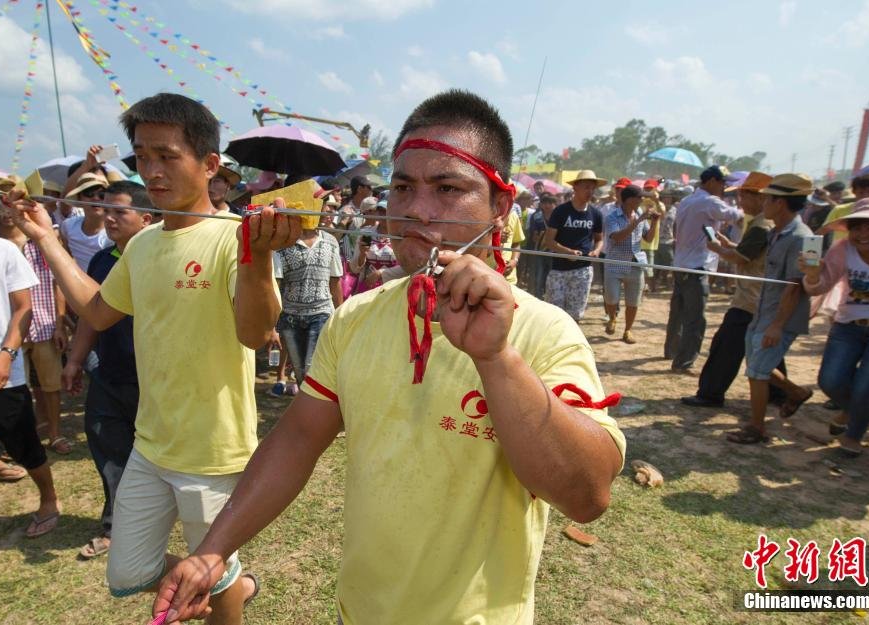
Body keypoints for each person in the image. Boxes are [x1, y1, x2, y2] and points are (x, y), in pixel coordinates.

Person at [153, 89, 625, 625]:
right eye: (403, 187)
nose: (417, 209)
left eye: (448, 188)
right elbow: (299, 438)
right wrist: (213, 550)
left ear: (501, 206)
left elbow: (587, 497)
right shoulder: (356, 318)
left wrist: (496, 359)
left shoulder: (542, 330)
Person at [10, 92, 288, 623]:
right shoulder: (142, 245)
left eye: (167, 155)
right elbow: (96, 311)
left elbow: (256, 336)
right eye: (142, 156)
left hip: (213, 453)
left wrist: (259, 257)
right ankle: (232, 585)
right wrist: (46, 237)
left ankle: (228, 592)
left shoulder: (234, 238)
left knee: (216, 575)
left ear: (209, 165)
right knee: (128, 572)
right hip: (151, 443)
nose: (152, 171)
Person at [62, 180, 155, 559]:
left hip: (154, 380)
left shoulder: (159, 261)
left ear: (146, 218)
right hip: (109, 374)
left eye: (121, 212)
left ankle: (162, 517)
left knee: (155, 454)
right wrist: (75, 360)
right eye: (107, 210)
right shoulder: (101, 261)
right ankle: (116, 526)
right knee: (108, 448)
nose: (110, 218)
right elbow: (91, 315)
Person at [800, 197, 869, 456]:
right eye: (857, 227)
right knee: (830, 381)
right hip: (848, 326)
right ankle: (853, 409)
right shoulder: (842, 250)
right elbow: (819, 287)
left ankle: (853, 436)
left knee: (866, 386)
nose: (863, 235)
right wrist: (812, 275)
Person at [0, 230, 60, 536]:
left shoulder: (0, 250)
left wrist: (7, 353)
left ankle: (49, 499)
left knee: (24, 445)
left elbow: (24, 307)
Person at [681, 172, 788, 408]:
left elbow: (742, 258)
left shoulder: (761, 225)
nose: (740, 203)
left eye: (743, 197)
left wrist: (719, 249)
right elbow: (751, 254)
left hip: (750, 299)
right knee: (762, 348)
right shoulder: (760, 224)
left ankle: (711, 393)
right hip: (754, 297)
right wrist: (729, 246)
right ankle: (781, 393)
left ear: (759, 198)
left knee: (726, 347)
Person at [726, 174, 816, 445]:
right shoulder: (775, 232)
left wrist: (777, 325)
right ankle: (797, 392)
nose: (762, 202)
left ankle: (757, 428)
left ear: (782, 202)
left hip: (780, 316)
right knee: (756, 365)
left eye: (768, 198)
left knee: (757, 372)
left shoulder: (804, 238)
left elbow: (795, 286)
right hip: (763, 311)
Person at [0, 187, 71, 455]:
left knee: (51, 385)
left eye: (9, 202)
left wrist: (60, 323)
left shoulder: (40, 239)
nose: (5, 209)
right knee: (13, 388)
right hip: (5, 331)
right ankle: (21, 440)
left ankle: (54, 434)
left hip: (45, 323)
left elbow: (58, 280)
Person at [664, 165, 743, 375]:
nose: (725, 188)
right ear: (711, 182)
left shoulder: (688, 200)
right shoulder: (710, 201)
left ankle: (671, 351)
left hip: (681, 264)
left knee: (678, 313)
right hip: (697, 266)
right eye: (723, 183)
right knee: (695, 319)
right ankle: (684, 361)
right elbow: (736, 216)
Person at [275, 208, 344, 388]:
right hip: (290, 316)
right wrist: (273, 324)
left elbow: (335, 281)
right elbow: (276, 285)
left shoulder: (330, 241)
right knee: (299, 371)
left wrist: (341, 315)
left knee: (310, 368)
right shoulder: (282, 243)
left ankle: (312, 411)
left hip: (321, 313)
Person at [544, 170, 606, 320]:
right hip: (559, 270)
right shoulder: (561, 211)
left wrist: (597, 250)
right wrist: (567, 251)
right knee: (554, 314)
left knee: (575, 315)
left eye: (592, 188)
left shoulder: (596, 214)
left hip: (583, 271)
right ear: (575, 188)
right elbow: (549, 241)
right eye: (586, 187)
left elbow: (599, 239)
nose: (590, 191)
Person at [603, 185, 659, 343]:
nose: (642, 200)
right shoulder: (612, 217)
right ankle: (612, 318)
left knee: (633, 301)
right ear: (629, 199)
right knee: (611, 298)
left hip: (636, 263)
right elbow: (617, 238)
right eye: (639, 197)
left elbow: (648, 238)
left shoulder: (639, 214)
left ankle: (628, 330)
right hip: (614, 262)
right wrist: (638, 221)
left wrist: (654, 222)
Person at [60, 172, 112, 273]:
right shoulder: (68, 226)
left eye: (101, 195)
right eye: (89, 193)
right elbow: (66, 259)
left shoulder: (113, 232)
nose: (95, 198)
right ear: (79, 198)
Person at [524, 193, 556, 300]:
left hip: (555, 252)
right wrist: (537, 236)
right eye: (545, 203)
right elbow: (533, 235)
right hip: (539, 251)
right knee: (539, 275)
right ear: (541, 204)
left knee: (552, 276)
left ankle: (550, 297)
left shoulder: (559, 217)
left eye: (551, 203)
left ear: (555, 204)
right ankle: (538, 297)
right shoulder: (536, 216)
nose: (547, 205)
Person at [653, 189, 678, 292]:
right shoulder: (656, 208)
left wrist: (676, 238)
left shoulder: (675, 210)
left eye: (669, 197)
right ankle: (654, 286)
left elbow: (676, 225)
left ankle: (669, 285)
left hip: (668, 240)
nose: (667, 199)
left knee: (669, 264)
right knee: (655, 265)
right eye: (665, 197)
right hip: (656, 240)